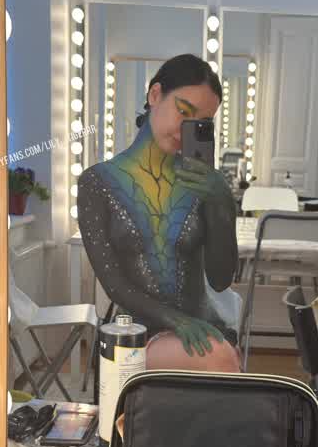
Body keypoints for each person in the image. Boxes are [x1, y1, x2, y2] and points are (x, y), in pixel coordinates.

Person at [77, 54, 240, 369]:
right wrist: (176, 321)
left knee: (217, 365)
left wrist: (222, 204)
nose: (186, 128)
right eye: (184, 111)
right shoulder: (97, 183)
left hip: (202, 330)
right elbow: (115, 284)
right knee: (214, 362)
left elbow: (220, 280)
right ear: (155, 95)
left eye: (201, 123)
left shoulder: (201, 183)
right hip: (135, 335)